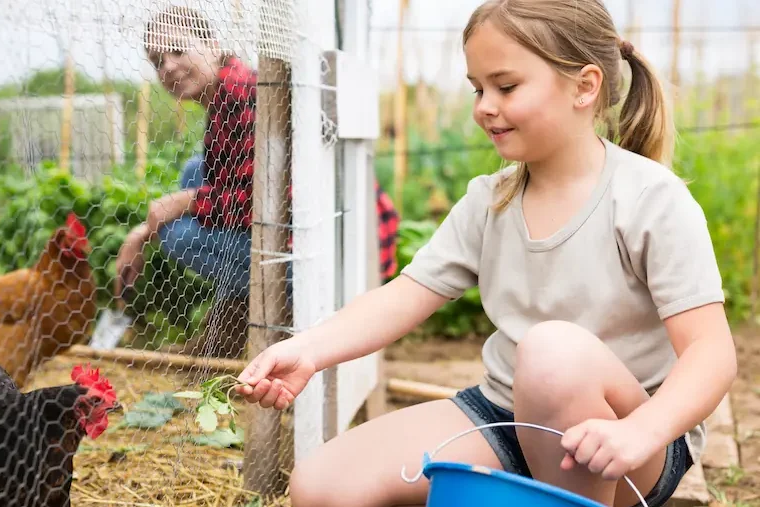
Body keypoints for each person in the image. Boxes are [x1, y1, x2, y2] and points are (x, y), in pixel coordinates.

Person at [234, 1, 737, 507]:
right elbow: (404, 296)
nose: (484, 106)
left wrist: (643, 431)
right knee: (322, 486)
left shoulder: (651, 199)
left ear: (585, 87)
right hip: (505, 416)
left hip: (627, 444)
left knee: (552, 355)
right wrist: (310, 350)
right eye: (478, 88)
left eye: (507, 86)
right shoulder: (489, 200)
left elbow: (710, 354)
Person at [115, 6, 400, 359]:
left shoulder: (241, 94)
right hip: (326, 234)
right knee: (195, 171)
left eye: (177, 50)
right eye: (158, 61)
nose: (168, 67)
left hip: (321, 256)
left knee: (176, 234)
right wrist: (146, 227)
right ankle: (226, 334)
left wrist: (177, 208)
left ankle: (286, 318)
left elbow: (261, 202)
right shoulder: (226, 93)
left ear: (212, 43)